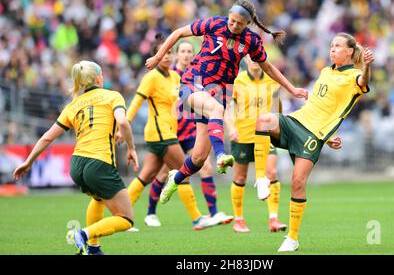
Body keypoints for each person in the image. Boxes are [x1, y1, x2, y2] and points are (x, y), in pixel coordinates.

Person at [145, 0, 308, 205]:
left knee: (198, 158)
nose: (233, 25)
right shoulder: (214, 24)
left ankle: (175, 179)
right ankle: (222, 154)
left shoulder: (251, 41)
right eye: (232, 20)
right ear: (228, 15)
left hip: (218, 92)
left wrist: (291, 89)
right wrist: (158, 56)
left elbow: (268, 67)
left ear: (247, 24)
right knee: (216, 109)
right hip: (194, 82)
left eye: (239, 24)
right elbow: (178, 33)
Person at [252, 33, 373, 252]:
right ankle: (261, 178)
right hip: (296, 121)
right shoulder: (326, 71)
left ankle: (292, 238)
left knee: (297, 182)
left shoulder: (354, 75)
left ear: (349, 51)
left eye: (338, 46)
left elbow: (364, 82)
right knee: (264, 120)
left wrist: (367, 67)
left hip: (313, 136)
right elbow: (322, 108)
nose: (332, 49)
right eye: (331, 45)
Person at [12, 60, 139, 255]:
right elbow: (122, 120)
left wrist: (28, 161)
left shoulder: (73, 105)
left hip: (77, 165)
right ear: (98, 78)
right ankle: (83, 234)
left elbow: (47, 136)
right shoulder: (112, 96)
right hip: (99, 164)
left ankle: (94, 249)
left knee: (98, 199)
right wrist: (131, 148)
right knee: (126, 218)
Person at [120, 35, 215, 230]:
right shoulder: (151, 77)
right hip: (160, 133)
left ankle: (121, 215)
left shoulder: (175, 77)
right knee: (184, 171)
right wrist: (124, 126)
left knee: (145, 176)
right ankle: (197, 217)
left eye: (169, 52)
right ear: (156, 56)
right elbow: (137, 102)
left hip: (169, 132)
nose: (166, 56)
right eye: (162, 53)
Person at [145, 40, 233, 227]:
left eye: (189, 51)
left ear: (194, 55)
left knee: (205, 166)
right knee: (162, 173)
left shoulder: (198, 76)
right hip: (173, 131)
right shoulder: (171, 76)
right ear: (177, 54)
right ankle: (151, 213)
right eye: (183, 51)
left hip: (192, 130)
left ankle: (214, 212)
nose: (186, 54)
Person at [225, 55, 287, 233]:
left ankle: (273, 219)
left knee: (272, 172)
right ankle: (239, 220)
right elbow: (227, 108)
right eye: (250, 58)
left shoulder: (272, 80)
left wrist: (279, 126)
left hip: (266, 134)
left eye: (257, 57)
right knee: (240, 178)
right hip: (243, 134)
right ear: (246, 60)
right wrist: (230, 128)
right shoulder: (237, 80)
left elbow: (277, 106)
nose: (254, 60)